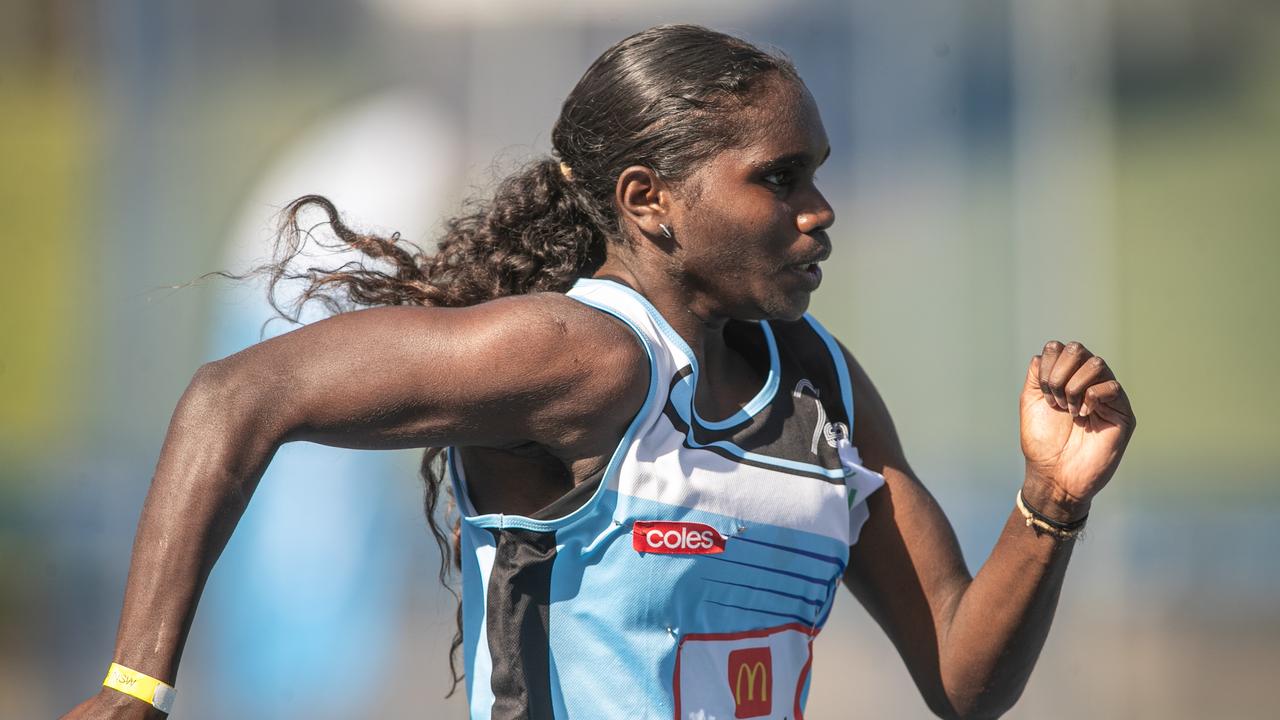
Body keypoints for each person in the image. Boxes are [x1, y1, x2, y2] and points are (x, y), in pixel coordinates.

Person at [63, 24, 1135, 720]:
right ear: (647, 201)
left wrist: (1047, 506)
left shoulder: (822, 387)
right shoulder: (577, 355)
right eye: (778, 178)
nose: (819, 210)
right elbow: (234, 396)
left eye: (817, 173)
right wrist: (134, 685)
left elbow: (961, 675)